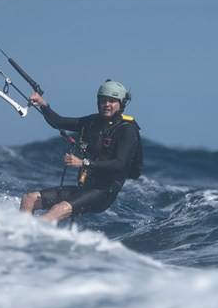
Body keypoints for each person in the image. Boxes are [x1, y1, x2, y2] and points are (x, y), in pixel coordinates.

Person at [20, 80, 142, 222]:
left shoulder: (127, 130)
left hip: (104, 192)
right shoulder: (92, 122)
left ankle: (32, 232)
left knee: (59, 209)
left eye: (112, 101)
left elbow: (120, 164)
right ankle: (19, 232)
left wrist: (84, 163)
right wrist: (43, 104)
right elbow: (58, 122)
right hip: (85, 187)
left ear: (122, 104)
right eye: (103, 100)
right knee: (29, 199)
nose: (107, 104)